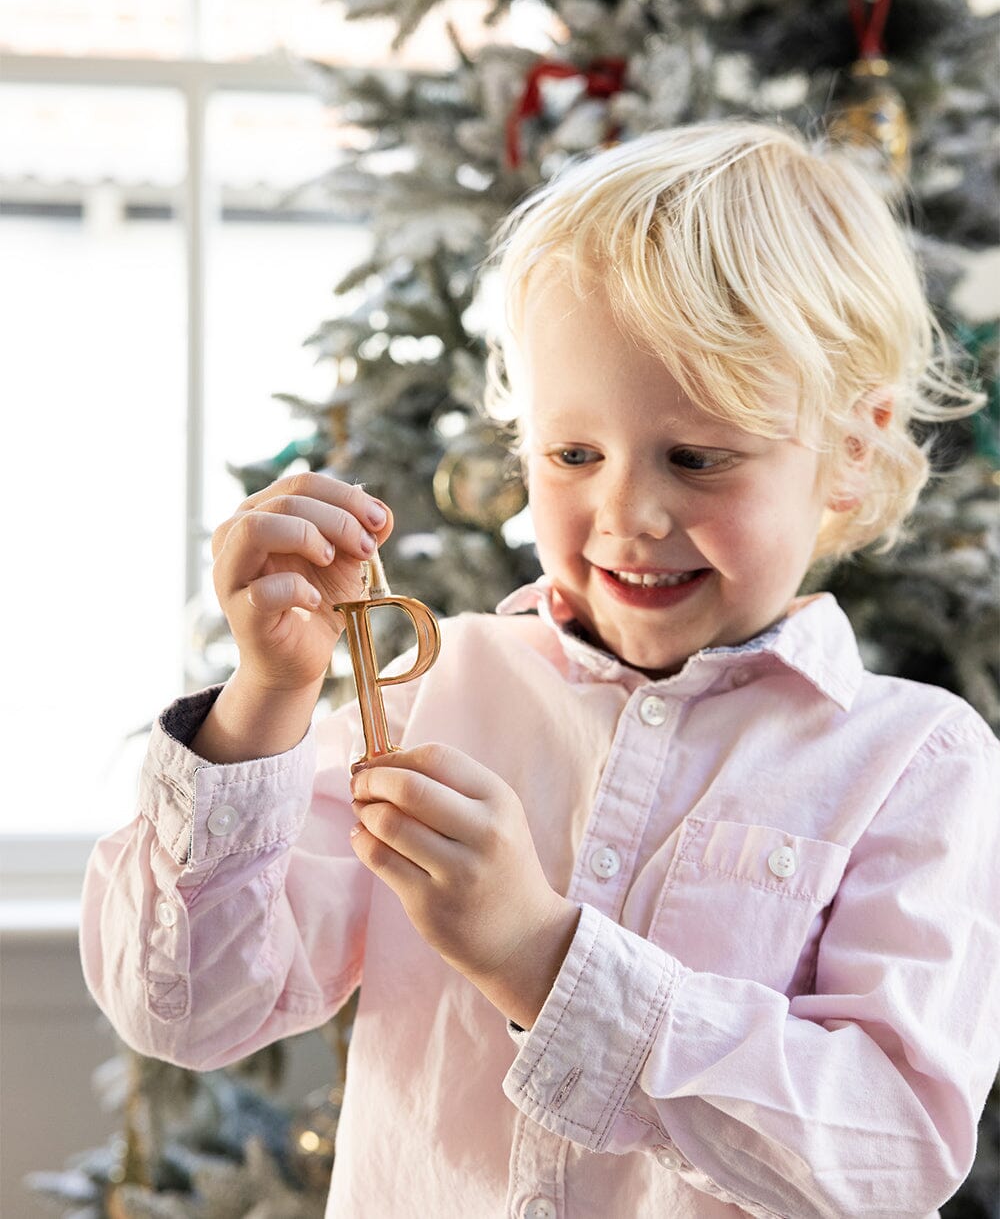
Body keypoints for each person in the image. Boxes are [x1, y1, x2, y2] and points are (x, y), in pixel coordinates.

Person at [81, 121, 1000, 1218]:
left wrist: (537, 951)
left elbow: (886, 1154)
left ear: (852, 449)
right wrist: (265, 700)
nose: (627, 513)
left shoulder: (914, 761)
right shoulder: (436, 693)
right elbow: (187, 1008)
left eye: (697, 457)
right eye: (573, 454)